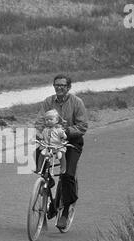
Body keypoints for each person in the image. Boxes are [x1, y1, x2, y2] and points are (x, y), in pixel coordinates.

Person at [35, 75, 88, 228]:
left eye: (62, 85)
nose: (59, 88)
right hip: (50, 140)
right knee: (39, 155)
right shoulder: (48, 102)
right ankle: (46, 180)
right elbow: (39, 121)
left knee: (67, 175)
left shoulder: (77, 103)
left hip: (71, 141)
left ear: (69, 87)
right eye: (56, 85)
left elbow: (83, 126)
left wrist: (66, 131)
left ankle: (64, 211)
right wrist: (39, 133)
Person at [36, 109, 67, 174]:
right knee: (42, 153)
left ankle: (63, 168)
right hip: (48, 147)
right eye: (47, 120)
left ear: (57, 120)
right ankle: (39, 168)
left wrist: (63, 137)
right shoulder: (45, 130)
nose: (48, 121)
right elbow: (42, 137)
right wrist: (38, 138)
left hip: (57, 147)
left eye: (51, 119)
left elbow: (64, 136)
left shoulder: (58, 129)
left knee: (60, 154)